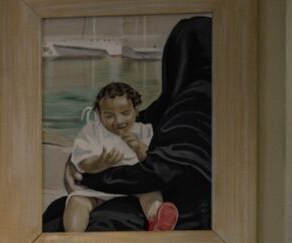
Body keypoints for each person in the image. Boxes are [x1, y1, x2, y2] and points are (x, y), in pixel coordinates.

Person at [44, 16, 211, 231]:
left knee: (85, 223)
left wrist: (91, 177)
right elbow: (128, 123)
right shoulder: (178, 99)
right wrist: (81, 160)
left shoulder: (197, 104)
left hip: (191, 213)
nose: (119, 120)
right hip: (144, 186)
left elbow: (160, 171)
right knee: (58, 210)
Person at [63, 82, 177, 233]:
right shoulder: (92, 131)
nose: (118, 121)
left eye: (125, 113)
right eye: (109, 115)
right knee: (77, 201)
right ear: (98, 114)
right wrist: (100, 162)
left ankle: (156, 219)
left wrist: (138, 147)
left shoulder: (144, 131)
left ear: (136, 111)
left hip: (136, 186)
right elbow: (83, 163)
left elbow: (151, 159)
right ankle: (72, 238)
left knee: (151, 194)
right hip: (99, 189)